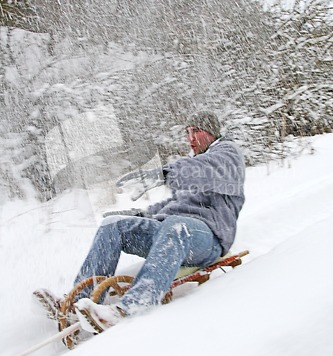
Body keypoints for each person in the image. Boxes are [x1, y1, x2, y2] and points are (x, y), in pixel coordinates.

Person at [35, 111, 245, 334]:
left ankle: (130, 308)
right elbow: (174, 204)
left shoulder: (227, 155)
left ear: (212, 133)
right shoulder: (196, 169)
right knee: (114, 225)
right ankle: (77, 303)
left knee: (175, 225)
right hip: (173, 233)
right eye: (187, 132)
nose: (190, 138)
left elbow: (204, 169)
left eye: (197, 131)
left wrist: (163, 174)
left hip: (208, 240)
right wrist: (138, 215)